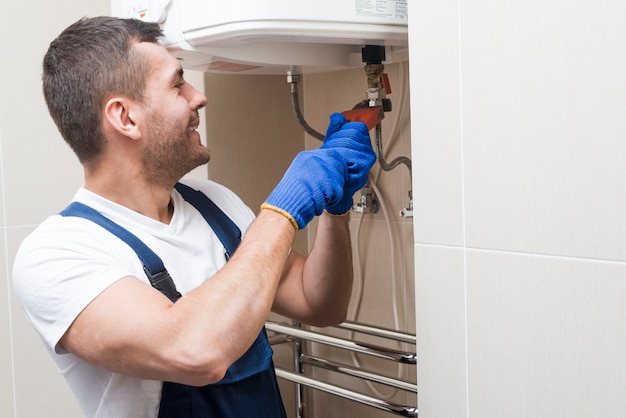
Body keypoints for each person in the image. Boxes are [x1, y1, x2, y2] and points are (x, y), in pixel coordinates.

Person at [12, 15, 376, 418]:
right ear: (125, 117)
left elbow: (320, 304)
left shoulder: (213, 201)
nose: (198, 96)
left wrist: (335, 210)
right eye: (177, 84)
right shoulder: (58, 253)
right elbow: (196, 352)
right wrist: (284, 212)